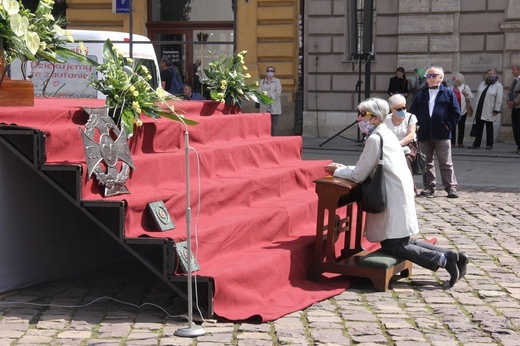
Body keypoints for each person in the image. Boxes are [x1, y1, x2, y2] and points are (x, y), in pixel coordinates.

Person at [324, 97, 468, 288]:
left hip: (391, 194)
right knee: (402, 239)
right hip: (398, 190)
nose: (359, 119)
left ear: (375, 118)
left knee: (394, 244)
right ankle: (452, 255)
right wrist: (345, 168)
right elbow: (369, 166)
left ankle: (442, 259)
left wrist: (338, 170)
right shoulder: (386, 133)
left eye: (363, 114)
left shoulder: (375, 138)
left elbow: (359, 174)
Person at [409, 66, 461, 198]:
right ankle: (429, 187)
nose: (431, 78)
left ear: (440, 78)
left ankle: (451, 187)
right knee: (426, 162)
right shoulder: (421, 93)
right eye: (428, 76)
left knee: (446, 162)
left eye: (434, 75)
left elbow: (456, 113)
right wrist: (417, 126)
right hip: (424, 133)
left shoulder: (448, 93)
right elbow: (412, 112)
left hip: (442, 134)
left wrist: (448, 126)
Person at [385, 94, 418, 195]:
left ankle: (410, 188)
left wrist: (399, 144)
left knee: (404, 159)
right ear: (392, 109)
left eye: (404, 107)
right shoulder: (386, 119)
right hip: (391, 146)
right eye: (399, 109)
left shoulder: (411, 117)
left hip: (408, 146)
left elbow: (411, 135)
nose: (403, 110)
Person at [467, 68, 503, 150]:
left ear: (495, 75)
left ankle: (489, 144)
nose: (490, 75)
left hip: (489, 109)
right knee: (479, 127)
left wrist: (496, 109)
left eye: (492, 73)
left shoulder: (498, 85)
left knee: (489, 127)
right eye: (488, 73)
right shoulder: (482, 83)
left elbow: (499, 99)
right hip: (480, 108)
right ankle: (476, 144)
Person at [450, 73, 474, 147]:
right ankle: (452, 142)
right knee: (452, 127)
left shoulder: (465, 87)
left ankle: (460, 142)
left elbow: (472, 97)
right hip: (452, 111)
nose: (452, 80)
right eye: (452, 79)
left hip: (462, 110)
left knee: (461, 127)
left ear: (458, 80)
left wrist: (466, 94)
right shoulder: (451, 88)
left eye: (454, 79)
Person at [259, 66, 282, 136]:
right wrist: (264, 95)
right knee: (264, 123)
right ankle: (265, 137)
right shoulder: (262, 81)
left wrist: (269, 96)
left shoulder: (277, 81)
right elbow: (259, 91)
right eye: (268, 71)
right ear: (266, 72)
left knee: (274, 124)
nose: (270, 72)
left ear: (274, 72)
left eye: (272, 71)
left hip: (274, 106)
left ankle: (273, 137)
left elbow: (278, 92)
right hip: (264, 106)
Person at [507, 63, 520, 154]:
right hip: (514, 108)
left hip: (519, 107)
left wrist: (515, 102)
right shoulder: (514, 80)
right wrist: (509, 101)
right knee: (516, 128)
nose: (512, 71)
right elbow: (510, 92)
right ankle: (519, 146)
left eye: (513, 69)